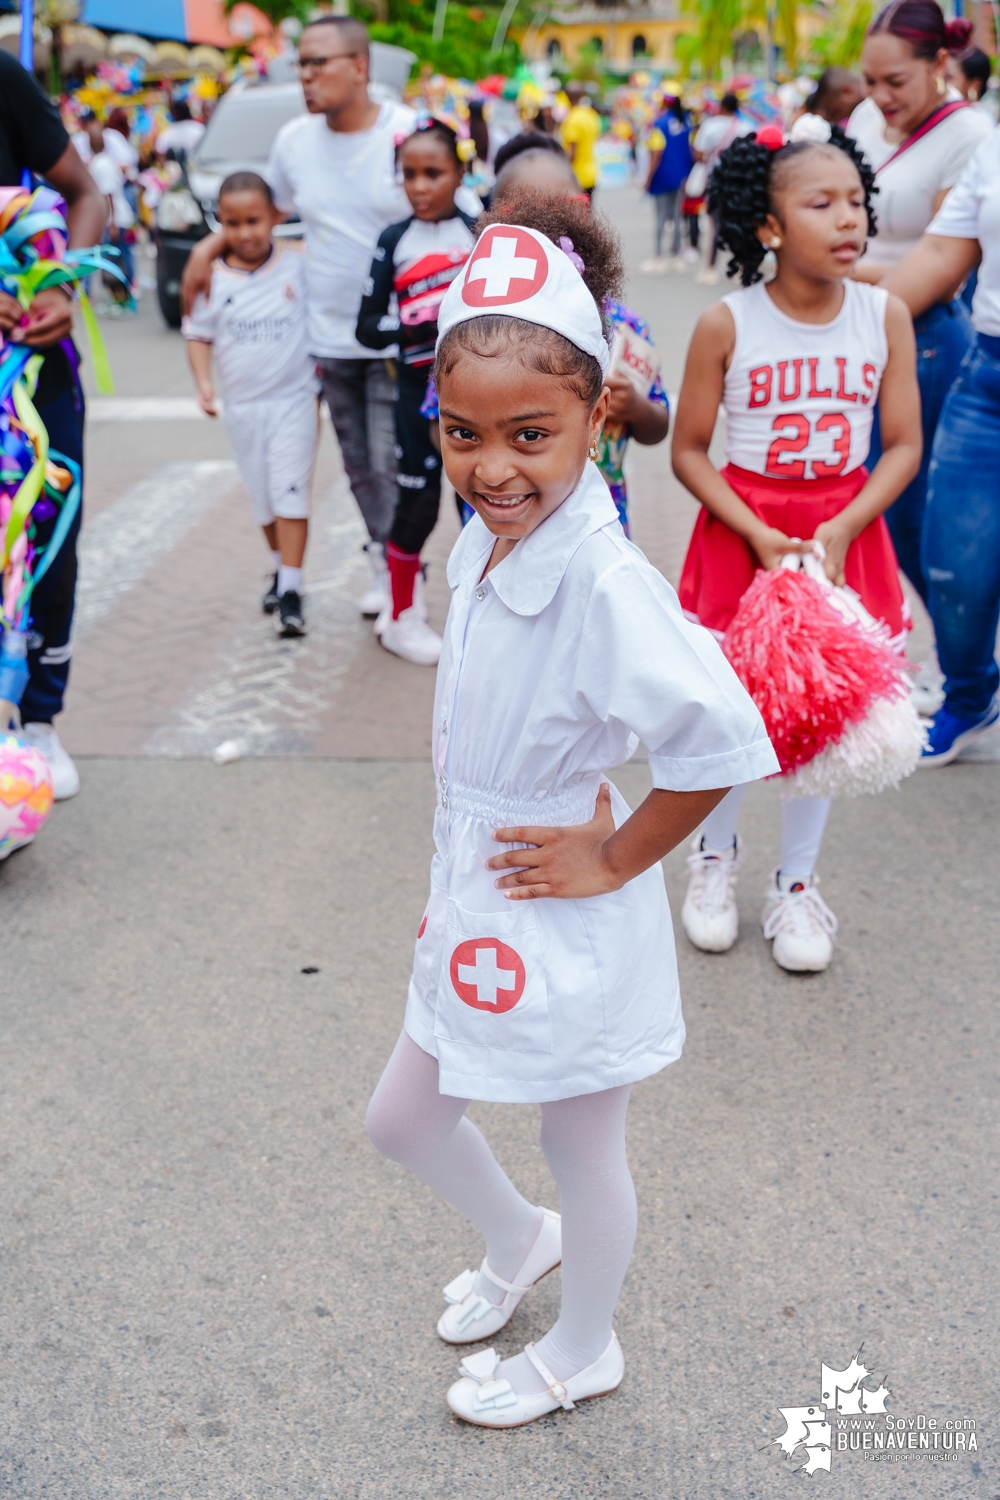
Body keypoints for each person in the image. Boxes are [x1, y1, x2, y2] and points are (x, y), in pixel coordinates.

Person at [364, 198, 777, 1430]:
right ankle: (520, 1240)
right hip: (481, 887)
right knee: (401, 1118)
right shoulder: (489, 540)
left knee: (582, 1140)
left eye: (530, 434)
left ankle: (585, 1345)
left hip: (568, 900)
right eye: (462, 434)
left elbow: (720, 742)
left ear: (601, 419)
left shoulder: (605, 580)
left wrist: (616, 851)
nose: (493, 467)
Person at [671, 127, 921, 972]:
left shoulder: (884, 314)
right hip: (747, 529)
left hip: (840, 531)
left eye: (856, 200)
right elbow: (690, 449)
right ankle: (713, 859)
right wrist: (754, 531)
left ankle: (798, 885)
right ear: (768, 228)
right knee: (733, 711)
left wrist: (846, 526)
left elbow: (901, 445)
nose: (848, 218)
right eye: (822, 204)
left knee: (823, 715)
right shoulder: (725, 322)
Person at [181, 18, 414, 625]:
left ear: (359, 66)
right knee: (359, 465)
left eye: (317, 63)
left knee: (394, 461)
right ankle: (382, 568)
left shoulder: (405, 133)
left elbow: (442, 212)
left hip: (395, 333)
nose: (305, 76)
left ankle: (403, 583)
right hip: (328, 337)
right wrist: (208, 251)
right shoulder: (293, 141)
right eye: (300, 65)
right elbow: (263, 210)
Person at [421, 150, 671, 535]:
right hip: (496, 523)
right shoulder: (472, 323)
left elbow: (658, 424)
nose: (548, 226)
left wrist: (635, 407)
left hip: (597, 518)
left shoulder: (625, 325)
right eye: (526, 212)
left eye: (565, 208)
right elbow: (438, 418)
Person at [847, 2, 990, 615]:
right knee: (864, 499)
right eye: (870, 82)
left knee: (913, 515)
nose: (880, 97)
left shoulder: (973, 138)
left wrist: (829, 271)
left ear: (939, 64)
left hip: (924, 337)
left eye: (896, 82)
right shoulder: (862, 119)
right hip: (850, 328)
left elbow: (943, 265)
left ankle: (959, 657)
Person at [0, 53, 106, 800]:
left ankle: (38, 718)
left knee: (50, 533)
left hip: (36, 370)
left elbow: (85, 193)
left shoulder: (3, 77)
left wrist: (64, 281)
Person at [881, 131, 1000, 762]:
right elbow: (937, 255)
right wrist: (830, 321)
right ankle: (972, 694)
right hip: (989, 375)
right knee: (954, 559)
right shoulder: (994, 146)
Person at [355, 121, 477, 665]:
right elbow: (365, 328)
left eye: (434, 173)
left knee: (478, 506)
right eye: (409, 175)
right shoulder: (393, 241)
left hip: (474, 398)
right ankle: (402, 617)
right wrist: (417, 328)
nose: (420, 186)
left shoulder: (481, 234)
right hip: (413, 397)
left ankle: (486, 621)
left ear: (460, 174)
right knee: (417, 505)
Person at [183, 173, 317, 638]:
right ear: (220, 223)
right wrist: (204, 384)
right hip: (243, 409)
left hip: (295, 402)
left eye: (255, 221)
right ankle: (281, 569)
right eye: (233, 223)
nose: (245, 233)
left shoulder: (298, 266)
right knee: (264, 500)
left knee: (290, 491)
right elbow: (197, 334)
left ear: (276, 217)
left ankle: (293, 591)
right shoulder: (210, 280)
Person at [691, 93, 752, 286]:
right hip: (740, 181)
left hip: (716, 181)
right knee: (740, 222)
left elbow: (699, 155)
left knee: (714, 225)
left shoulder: (710, 125)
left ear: (722, 107)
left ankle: (710, 268)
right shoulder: (746, 127)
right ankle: (741, 265)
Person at [82, 116, 134, 307]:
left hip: (114, 219)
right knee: (121, 256)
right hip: (119, 217)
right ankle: (124, 298)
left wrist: (111, 223)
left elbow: (108, 195)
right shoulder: (107, 162)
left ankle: (122, 298)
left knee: (113, 261)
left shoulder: (100, 165)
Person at [641, 95, 693, 273]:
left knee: (660, 217)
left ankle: (658, 256)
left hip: (662, 176)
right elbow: (690, 150)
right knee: (677, 217)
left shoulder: (660, 124)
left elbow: (656, 153)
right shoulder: (686, 122)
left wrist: (647, 178)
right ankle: (677, 255)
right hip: (680, 176)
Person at [559, 83, 601, 198]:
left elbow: (572, 153)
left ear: (567, 97)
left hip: (577, 176)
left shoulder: (572, 119)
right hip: (591, 173)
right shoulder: (590, 114)